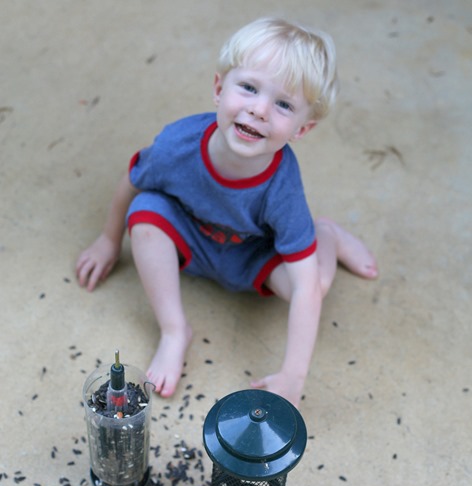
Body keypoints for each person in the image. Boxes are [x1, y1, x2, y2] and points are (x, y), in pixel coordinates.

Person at [76, 16, 378, 408]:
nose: (259, 110)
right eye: (249, 88)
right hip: (195, 238)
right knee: (145, 210)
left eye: (283, 104)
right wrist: (108, 240)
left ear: (302, 130)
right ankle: (173, 331)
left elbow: (303, 289)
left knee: (314, 286)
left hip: (254, 256)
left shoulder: (282, 187)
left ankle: (328, 236)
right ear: (219, 89)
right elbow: (133, 178)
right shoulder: (177, 145)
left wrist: (292, 375)